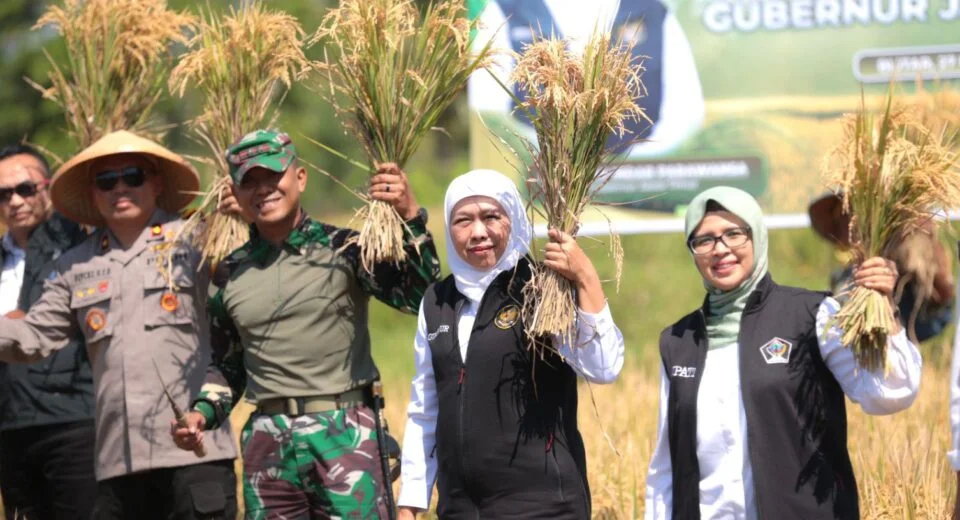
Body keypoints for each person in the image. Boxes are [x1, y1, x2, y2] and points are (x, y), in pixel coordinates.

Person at [170, 129, 441, 519]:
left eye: (272, 176)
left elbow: (420, 297)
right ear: (236, 194)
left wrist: (409, 215)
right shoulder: (229, 273)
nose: (263, 189)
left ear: (300, 178)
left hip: (345, 437)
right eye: (250, 182)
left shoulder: (346, 249)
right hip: (268, 445)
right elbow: (227, 366)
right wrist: (200, 414)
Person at [0, 130, 239, 519]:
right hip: (119, 465)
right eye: (106, 180)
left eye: (133, 175)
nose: (120, 188)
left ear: (156, 182)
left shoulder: (199, 240)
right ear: (93, 193)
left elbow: (248, 292)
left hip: (196, 456)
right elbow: (33, 336)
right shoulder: (75, 266)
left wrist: (242, 218)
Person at [645, 186, 921, 519]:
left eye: (734, 234)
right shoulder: (678, 341)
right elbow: (666, 465)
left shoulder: (812, 315)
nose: (720, 249)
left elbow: (889, 393)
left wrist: (885, 309)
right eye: (704, 240)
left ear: (757, 235)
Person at [396, 169, 625, 518]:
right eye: (463, 220)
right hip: (461, 510)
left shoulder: (543, 289)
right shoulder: (436, 302)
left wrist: (584, 278)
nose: (478, 232)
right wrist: (411, 501)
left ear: (515, 219)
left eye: (491, 217)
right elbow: (425, 408)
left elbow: (604, 367)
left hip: (543, 509)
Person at [470, 0, 704, 157]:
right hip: (540, 183)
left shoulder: (650, 10)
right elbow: (487, 110)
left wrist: (627, 165)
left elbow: (686, 110)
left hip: (637, 180)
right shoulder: (506, 8)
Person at [0, 143, 95, 520]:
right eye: (3, 194)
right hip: (10, 424)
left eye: (25, 189)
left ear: (49, 187)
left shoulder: (82, 246)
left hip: (75, 420)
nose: (15, 202)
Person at [808, 190, 955, 344]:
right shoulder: (843, 279)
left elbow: (934, 320)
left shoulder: (906, 271)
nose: (848, 226)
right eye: (841, 218)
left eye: (851, 214)